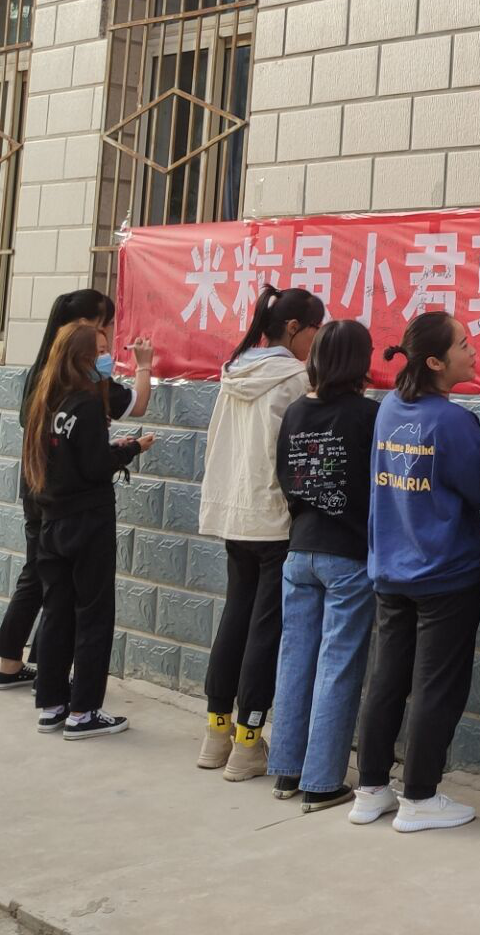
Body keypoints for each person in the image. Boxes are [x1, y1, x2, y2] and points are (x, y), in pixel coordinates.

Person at [350, 312, 480, 834]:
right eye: (463, 344)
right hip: (446, 574)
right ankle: (421, 796)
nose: (472, 351)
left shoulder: (390, 407)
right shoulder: (452, 423)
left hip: (392, 568)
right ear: (434, 361)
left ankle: (371, 788)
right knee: (437, 687)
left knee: (387, 679)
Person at [0, 289, 151, 691]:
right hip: (69, 501)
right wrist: (145, 367)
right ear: (88, 327)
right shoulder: (84, 385)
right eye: (106, 328)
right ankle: (60, 688)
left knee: (40, 575)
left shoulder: (44, 369)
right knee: (67, 598)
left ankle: (22, 670)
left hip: (39, 486)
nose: (109, 339)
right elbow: (134, 407)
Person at [197, 285, 324, 780]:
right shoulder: (293, 379)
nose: (316, 340)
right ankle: (248, 745)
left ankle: (216, 734)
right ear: (293, 328)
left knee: (235, 619)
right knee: (264, 631)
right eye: (314, 330)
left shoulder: (234, 371)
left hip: (235, 513)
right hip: (273, 517)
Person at [268, 320, 379, 814]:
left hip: (299, 551)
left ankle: (287, 771)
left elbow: (284, 476)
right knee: (338, 664)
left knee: (295, 659)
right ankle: (322, 781)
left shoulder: (295, 411)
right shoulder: (368, 415)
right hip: (348, 555)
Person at [24, 323, 155, 738]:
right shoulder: (86, 404)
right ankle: (83, 712)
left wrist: (112, 449)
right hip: (88, 523)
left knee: (57, 613)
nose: (107, 357)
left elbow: (72, 461)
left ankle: (52, 705)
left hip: (53, 522)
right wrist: (130, 449)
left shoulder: (49, 402)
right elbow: (96, 467)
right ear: (82, 358)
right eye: (100, 350)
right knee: (94, 616)